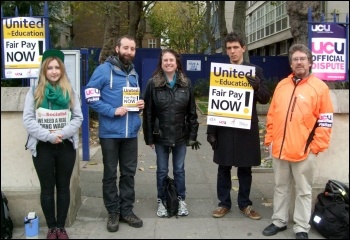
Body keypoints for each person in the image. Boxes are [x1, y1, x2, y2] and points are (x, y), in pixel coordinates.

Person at [262, 44, 334, 239]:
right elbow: (272, 115)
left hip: (304, 151)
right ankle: (279, 221)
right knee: (280, 188)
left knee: (303, 191)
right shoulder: (282, 86)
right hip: (280, 149)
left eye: (303, 59)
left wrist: (315, 147)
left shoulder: (319, 88)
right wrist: (270, 139)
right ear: (291, 64)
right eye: (295, 59)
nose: (299, 62)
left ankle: (302, 227)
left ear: (310, 62)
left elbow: (326, 121)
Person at [206, 32, 271, 220]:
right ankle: (224, 204)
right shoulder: (220, 71)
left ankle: (245, 204)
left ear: (243, 48)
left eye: (236, 47)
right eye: (229, 48)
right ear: (226, 51)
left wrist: (257, 87)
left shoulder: (255, 71)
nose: (232, 51)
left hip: (245, 127)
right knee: (223, 167)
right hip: (224, 126)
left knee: (245, 168)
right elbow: (215, 101)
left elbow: (266, 98)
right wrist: (211, 131)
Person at [85, 35, 144, 232]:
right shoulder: (103, 70)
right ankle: (113, 212)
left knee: (128, 174)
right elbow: (90, 96)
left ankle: (126, 210)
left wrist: (139, 105)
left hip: (130, 133)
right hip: (110, 133)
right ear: (117, 49)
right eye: (126, 48)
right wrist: (112, 111)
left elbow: (131, 101)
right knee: (110, 174)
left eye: (132, 49)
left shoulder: (133, 73)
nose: (129, 52)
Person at [23, 49, 83, 239]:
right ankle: (51, 228)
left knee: (63, 187)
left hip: (65, 146)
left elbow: (78, 117)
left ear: (62, 70)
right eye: (50, 67)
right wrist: (49, 136)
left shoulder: (70, 91)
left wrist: (62, 134)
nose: (54, 71)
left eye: (57, 67)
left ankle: (61, 227)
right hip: (43, 147)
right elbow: (28, 119)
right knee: (47, 188)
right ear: (44, 70)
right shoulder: (34, 91)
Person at [142, 49, 200, 218]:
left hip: (181, 136)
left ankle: (181, 199)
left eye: (171, 60)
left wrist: (192, 136)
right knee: (162, 170)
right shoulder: (153, 83)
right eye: (165, 60)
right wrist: (149, 138)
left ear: (176, 63)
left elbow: (192, 113)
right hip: (160, 136)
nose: (168, 63)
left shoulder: (186, 83)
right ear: (161, 63)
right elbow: (148, 114)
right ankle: (161, 200)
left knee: (179, 170)